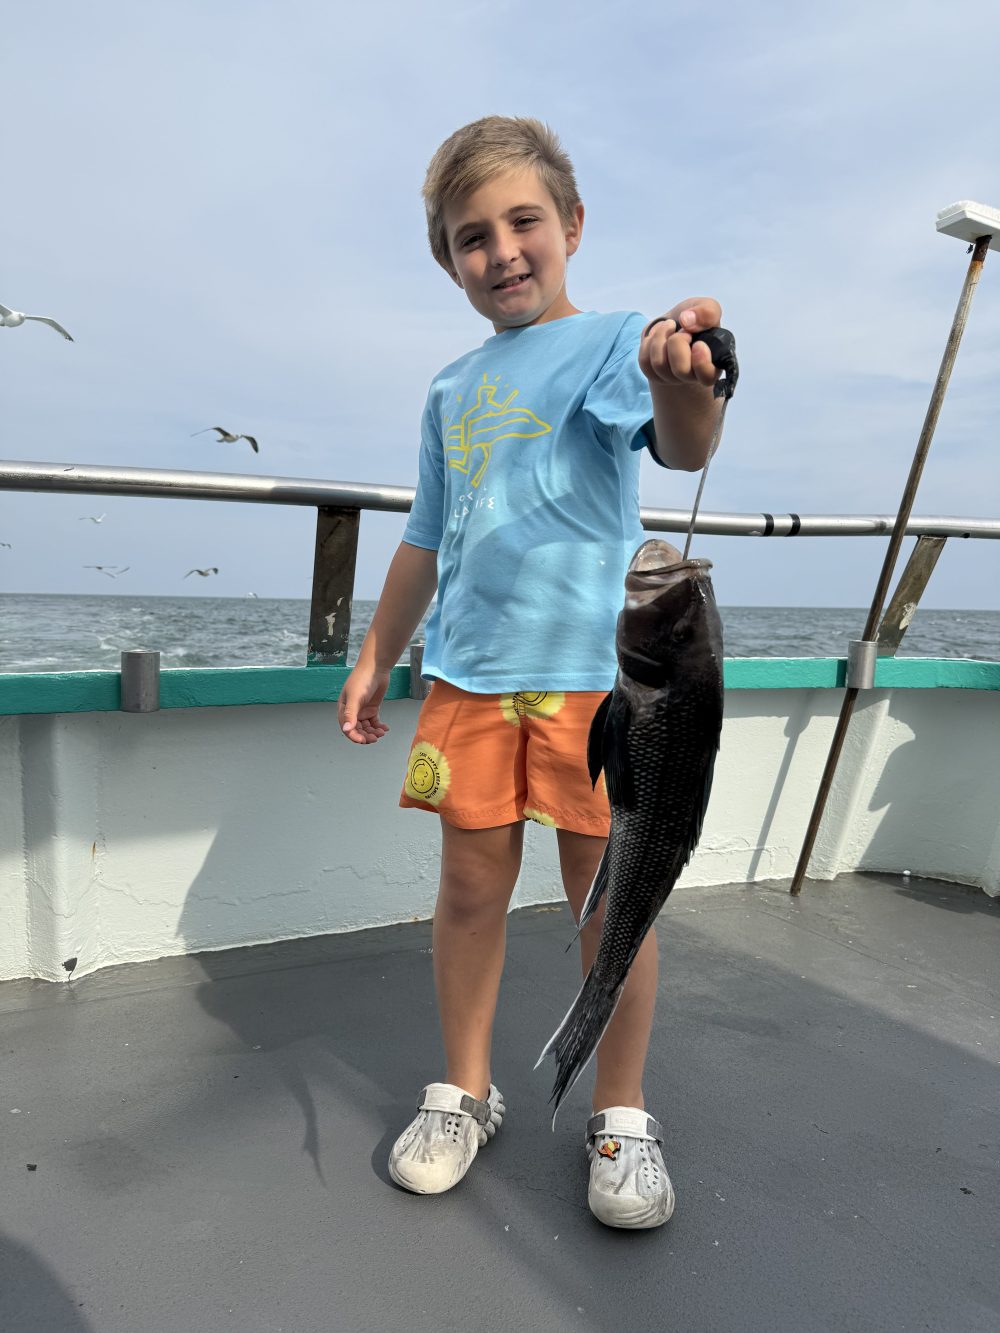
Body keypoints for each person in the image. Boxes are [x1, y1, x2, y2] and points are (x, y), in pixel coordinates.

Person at [338, 115, 724, 1230]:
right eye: (471, 236)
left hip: (601, 689)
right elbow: (424, 536)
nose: (500, 250)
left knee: (613, 906)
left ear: (571, 226)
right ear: (447, 259)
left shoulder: (612, 343)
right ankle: (463, 1091)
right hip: (465, 679)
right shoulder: (448, 387)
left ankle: (621, 1110)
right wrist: (376, 655)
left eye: (522, 222)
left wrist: (685, 368)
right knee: (468, 891)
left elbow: (687, 442)